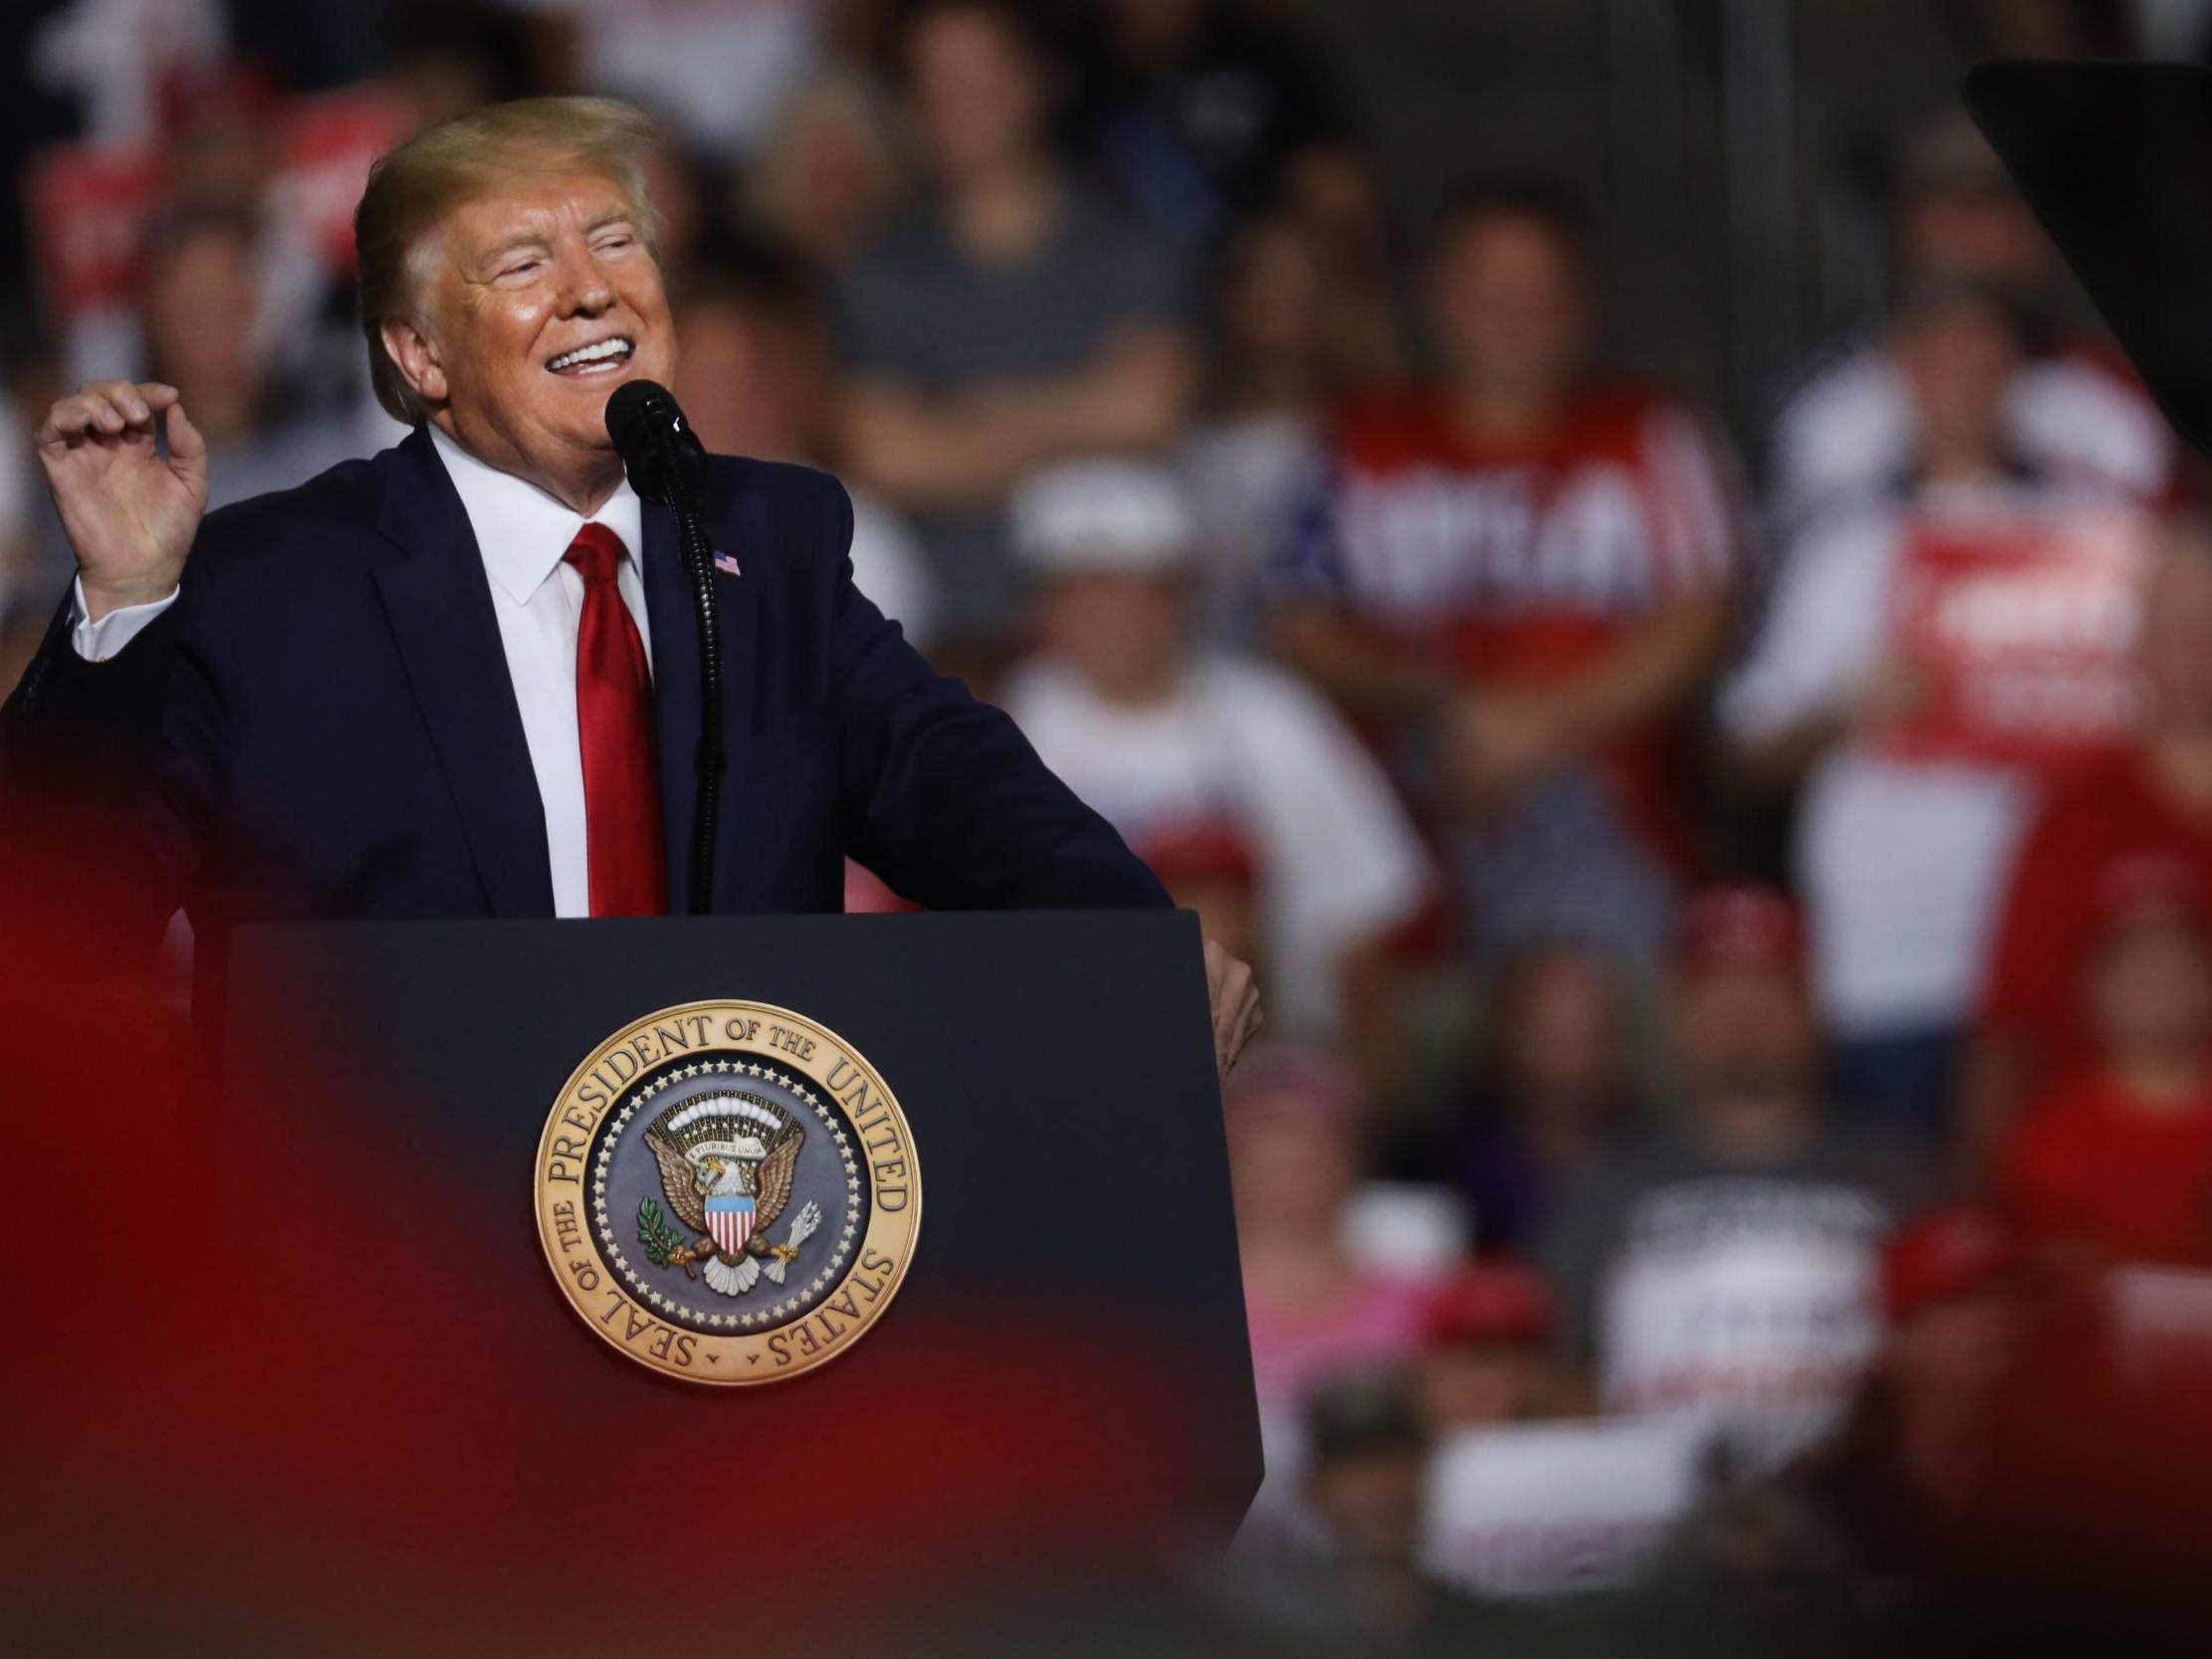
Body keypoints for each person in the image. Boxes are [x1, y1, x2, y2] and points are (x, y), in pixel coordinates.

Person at [0, 96, 1261, 1077]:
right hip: (381, 1298)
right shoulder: (272, 582)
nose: (592, 285)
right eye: (524, 262)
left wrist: (1132, 946)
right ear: (418, 352)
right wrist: (121, 600)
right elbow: (62, 916)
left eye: (614, 240)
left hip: (719, 1260)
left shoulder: (764, 544)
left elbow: (963, 790)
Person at [1723, 277, 2158, 1137]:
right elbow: (1744, 752)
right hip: (1889, 951)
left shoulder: (2098, 529)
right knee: (1911, 1204)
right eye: (1937, 345)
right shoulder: (1840, 538)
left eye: (1985, 345)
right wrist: (1848, 709)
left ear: (2019, 369)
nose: (1961, 367)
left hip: (2062, 937)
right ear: (1900, 368)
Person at [1268, 184, 1745, 964]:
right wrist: (1448, 700)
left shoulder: (1654, 432)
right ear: (1436, 297)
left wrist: (1545, 720)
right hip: (1398, 816)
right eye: (1487, 288)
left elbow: (1703, 609)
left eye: (1540, 291)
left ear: (1583, 305)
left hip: (1618, 818)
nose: (1513, 314)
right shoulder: (1357, 439)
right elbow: (1296, 623)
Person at [1000, 456, 1429, 1043]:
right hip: (1076, 1044)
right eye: (1075, 589)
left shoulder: (1271, 716)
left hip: (1276, 1053)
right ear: (1040, 606)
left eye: (1125, 587)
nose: (1101, 615)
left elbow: (1355, 928)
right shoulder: (1003, 727)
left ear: (1178, 596)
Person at [833, 0, 1197, 657]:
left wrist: (963, 419)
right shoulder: (879, 265)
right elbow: (884, 455)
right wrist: (1082, 418)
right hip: (941, 633)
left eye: (980, 72)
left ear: (1041, 79)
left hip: (1112, 633)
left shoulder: (1132, 239)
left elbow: (1148, 412)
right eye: (932, 78)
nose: (958, 99)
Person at [1541, 885, 1930, 1471]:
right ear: (1676, 1016)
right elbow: (1561, 1372)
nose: (1743, 1019)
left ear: (1813, 1008)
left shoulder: (1901, 1177)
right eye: (1718, 995)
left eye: (1766, 991)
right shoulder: (1604, 1185)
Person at [1767, 110, 2177, 540]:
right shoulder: (1822, 413)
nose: (1966, 232)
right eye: (1946, 198)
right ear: (1905, 223)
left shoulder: (2120, 405)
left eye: (1997, 202)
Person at [1967, 524, 2212, 1174]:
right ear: (2136, 648)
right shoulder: (2069, 816)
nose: (2196, 653)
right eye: (2176, 628)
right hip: (2090, 1183)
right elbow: (2005, 1035)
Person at [669, 242, 937, 650]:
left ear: (781, 389)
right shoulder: (607, 522)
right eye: (696, 381)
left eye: (734, 381)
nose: (716, 406)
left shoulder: (855, 538)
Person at [1994, 855, 2212, 1270]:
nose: (2158, 981)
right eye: (2134, 962)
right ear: (2090, 984)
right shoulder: (2049, 1136)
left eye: (2177, 959)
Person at [1226, 1047, 1429, 1422]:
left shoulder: (1417, 1306)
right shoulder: (1183, 1311)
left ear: (1349, 1163)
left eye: (1305, 1162)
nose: (1286, 1184)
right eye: (1267, 1166)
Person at [1411, 1258, 1557, 1432]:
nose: (1468, 1386)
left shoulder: (1573, 1452)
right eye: (1451, 1365)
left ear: (1529, 1375)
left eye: (1485, 1360)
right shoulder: (1391, 1453)